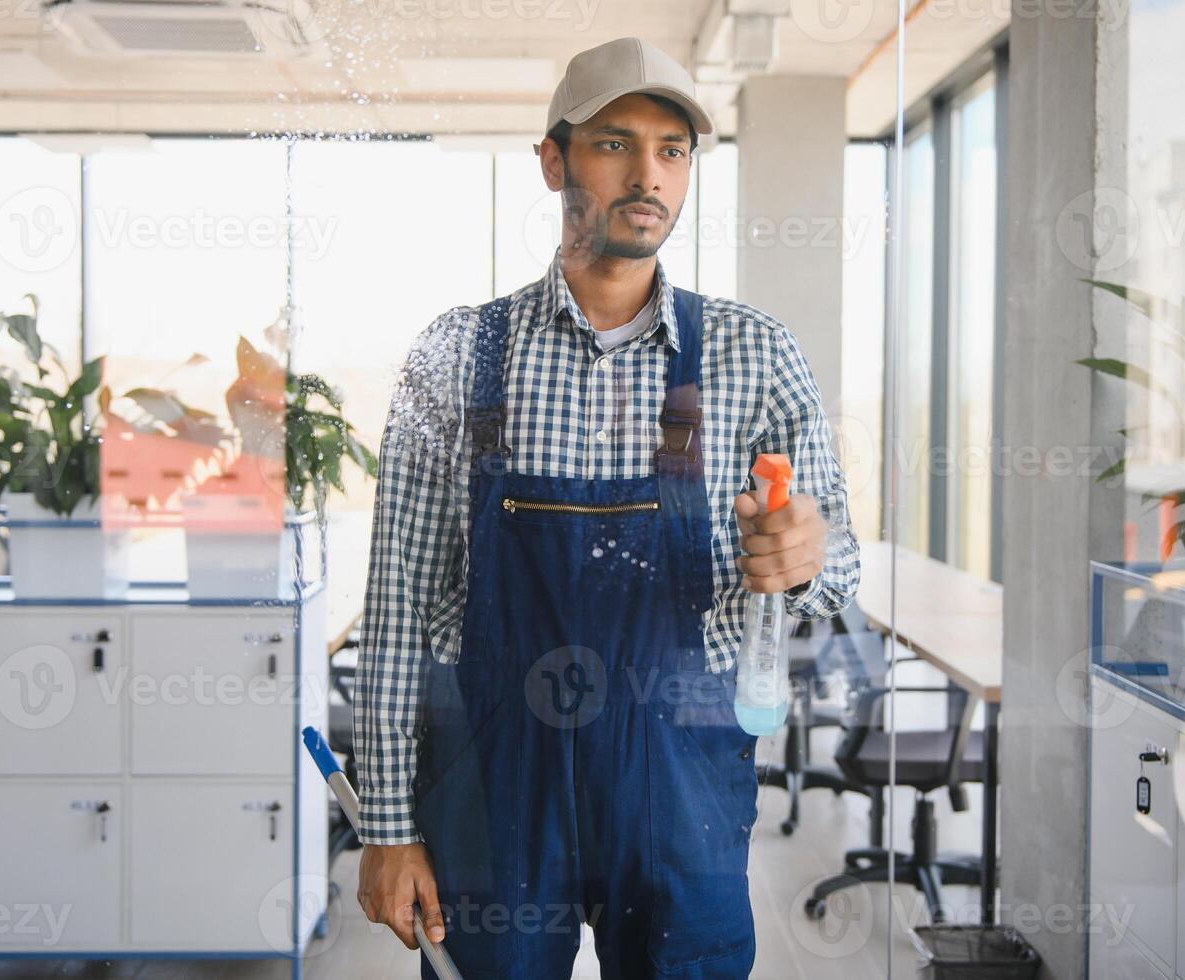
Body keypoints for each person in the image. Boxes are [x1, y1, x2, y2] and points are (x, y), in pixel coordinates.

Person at [353, 35, 861, 980]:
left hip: (678, 785)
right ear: (553, 161)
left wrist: (805, 553)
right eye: (613, 143)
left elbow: (837, 580)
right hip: (496, 783)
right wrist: (387, 827)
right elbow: (394, 609)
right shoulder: (453, 355)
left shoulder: (756, 355)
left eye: (673, 151)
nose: (647, 175)